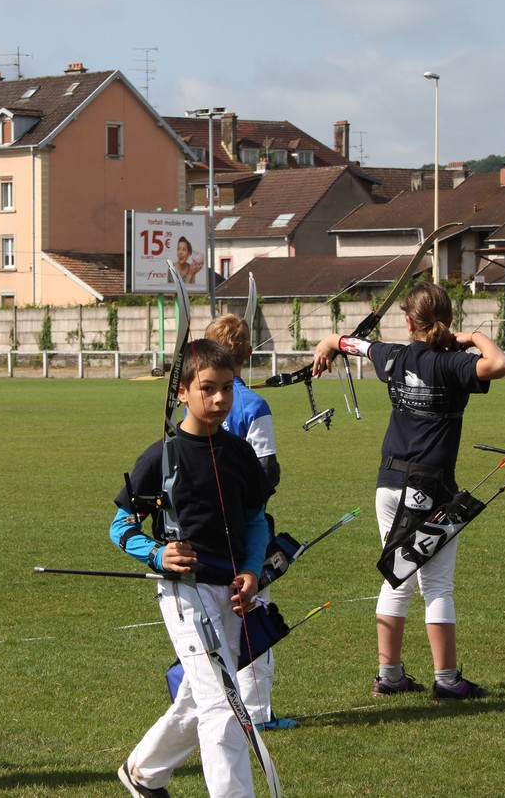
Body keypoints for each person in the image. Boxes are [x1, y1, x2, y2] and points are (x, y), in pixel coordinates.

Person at [311, 281, 505, 700]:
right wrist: (471, 337)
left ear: (408, 321)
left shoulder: (394, 356)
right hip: (429, 487)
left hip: (389, 484)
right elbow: (500, 363)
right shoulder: (454, 364)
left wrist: (328, 345)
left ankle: (391, 675)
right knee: (436, 584)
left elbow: (346, 342)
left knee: (398, 577)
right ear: (449, 320)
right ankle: (447, 681)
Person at [111, 338, 272, 798]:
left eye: (227, 387)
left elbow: (256, 519)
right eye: (207, 388)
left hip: (233, 591)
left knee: (198, 698)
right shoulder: (162, 457)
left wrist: (252, 569)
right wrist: (156, 554)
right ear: (182, 392)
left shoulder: (240, 453)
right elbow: (121, 525)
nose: (219, 398)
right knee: (222, 703)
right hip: (184, 593)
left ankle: (143, 771)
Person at [203, 313, 294, 731]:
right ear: (248, 353)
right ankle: (257, 713)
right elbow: (267, 473)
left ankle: (221, 704)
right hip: (244, 527)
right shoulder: (254, 404)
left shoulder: (195, 398)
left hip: (201, 526)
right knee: (255, 611)